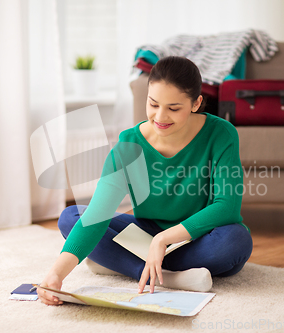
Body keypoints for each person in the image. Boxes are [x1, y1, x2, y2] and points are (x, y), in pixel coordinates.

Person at [37, 56, 253, 306]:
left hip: (193, 236)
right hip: (144, 234)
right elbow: (97, 215)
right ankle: (165, 277)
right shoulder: (129, 144)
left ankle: (125, 264)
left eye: (173, 108)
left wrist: (163, 240)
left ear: (196, 103)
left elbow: (227, 206)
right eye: (153, 104)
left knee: (236, 241)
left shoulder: (221, 133)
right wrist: (55, 274)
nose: (160, 117)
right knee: (70, 217)